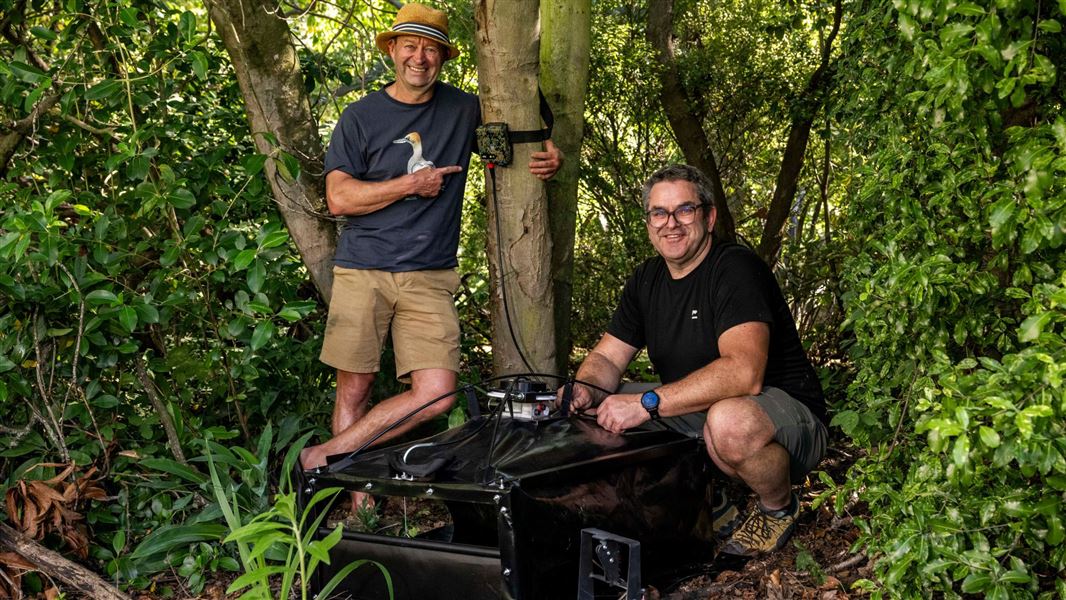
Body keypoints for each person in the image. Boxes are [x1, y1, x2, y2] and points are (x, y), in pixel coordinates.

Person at [300, 3, 562, 494]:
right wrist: (408, 185)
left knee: (438, 394)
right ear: (393, 51)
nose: (419, 57)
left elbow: (525, 120)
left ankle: (323, 457)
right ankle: (363, 506)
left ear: (442, 57)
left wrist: (550, 149)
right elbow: (339, 198)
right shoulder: (360, 117)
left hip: (430, 274)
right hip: (363, 269)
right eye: (410, 46)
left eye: (431, 49)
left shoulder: (463, 108)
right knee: (353, 389)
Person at [558, 164, 827, 557]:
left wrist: (647, 404)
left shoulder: (734, 268)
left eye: (684, 210)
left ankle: (778, 508)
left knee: (728, 423)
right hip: (703, 411)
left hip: (784, 414)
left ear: (709, 216)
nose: (672, 224)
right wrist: (584, 389)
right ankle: (711, 501)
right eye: (659, 213)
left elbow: (744, 373)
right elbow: (606, 357)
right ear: (649, 222)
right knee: (597, 406)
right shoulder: (646, 280)